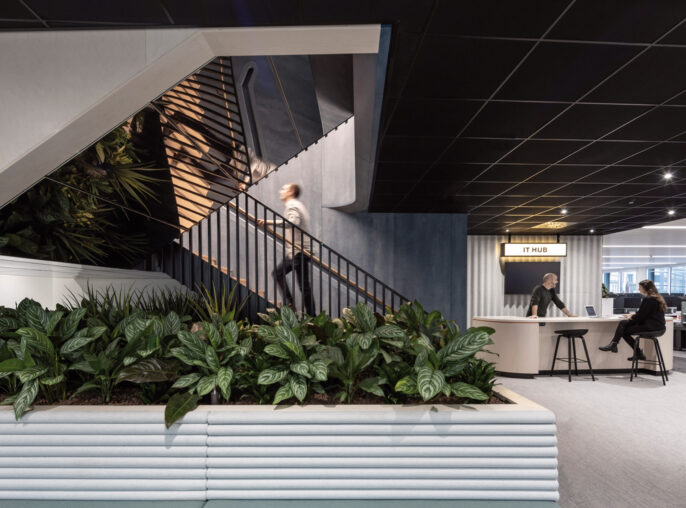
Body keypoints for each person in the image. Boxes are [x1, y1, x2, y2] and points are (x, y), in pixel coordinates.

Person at [257, 183, 315, 315]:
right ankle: (305, 312)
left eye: (284, 189)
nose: (280, 191)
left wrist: (269, 222)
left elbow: (292, 222)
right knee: (300, 284)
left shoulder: (292, 205)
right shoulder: (298, 205)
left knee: (285, 277)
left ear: (291, 192)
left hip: (299, 251)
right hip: (298, 251)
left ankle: (293, 307)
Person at [599, 279, 666, 361]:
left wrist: (631, 318)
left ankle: (617, 345)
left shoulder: (648, 299)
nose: (639, 289)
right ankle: (616, 345)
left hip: (651, 327)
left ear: (645, 288)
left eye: (640, 287)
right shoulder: (656, 298)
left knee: (624, 328)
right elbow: (646, 313)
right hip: (657, 326)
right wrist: (633, 315)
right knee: (624, 325)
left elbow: (641, 317)